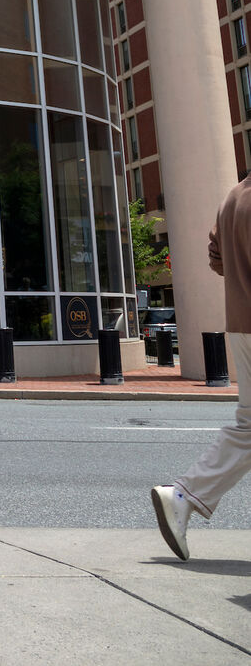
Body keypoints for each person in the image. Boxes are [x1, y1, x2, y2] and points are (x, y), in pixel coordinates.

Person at [151, 175, 251, 560]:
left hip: (241, 323)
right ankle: (184, 494)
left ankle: (183, 495)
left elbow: (216, 256)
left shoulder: (234, 195)